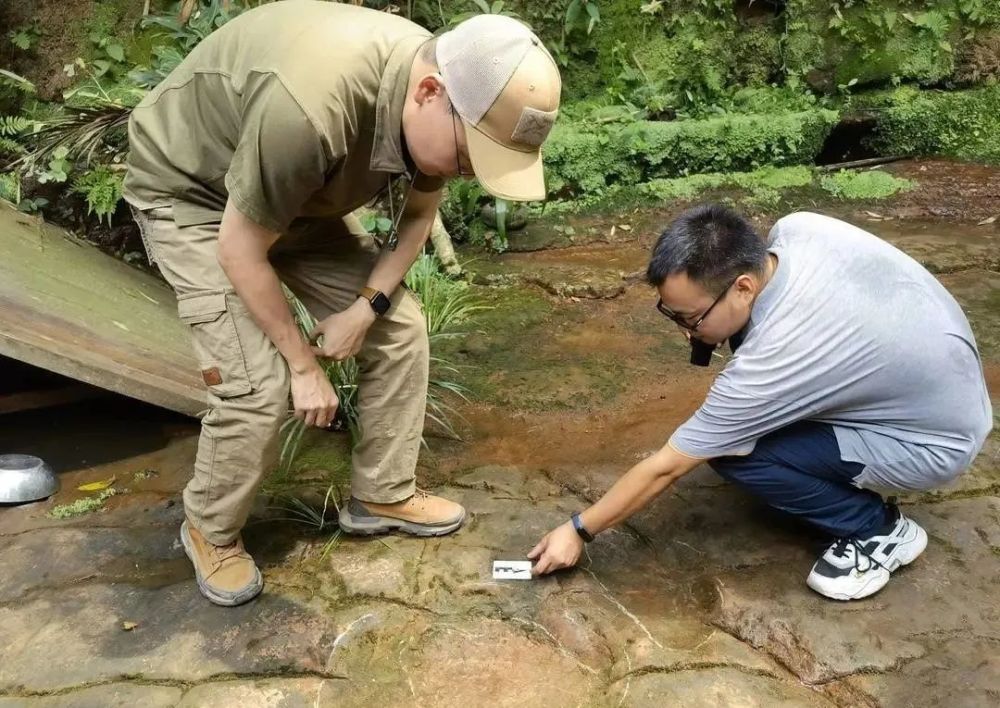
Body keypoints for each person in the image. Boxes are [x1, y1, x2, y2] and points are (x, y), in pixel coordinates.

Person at [123, 0, 561, 606]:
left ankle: (381, 493)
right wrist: (303, 366)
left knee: (400, 327)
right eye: (468, 158)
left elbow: (418, 211)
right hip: (196, 198)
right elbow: (240, 248)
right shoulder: (311, 107)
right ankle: (209, 528)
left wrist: (366, 308)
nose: (466, 173)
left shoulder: (441, 81)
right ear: (430, 93)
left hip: (297, 199)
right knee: (256, 387)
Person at [529, 205, 992, 601]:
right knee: (745, 427)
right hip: (938, 382)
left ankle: (877, 530)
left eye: (691, 318)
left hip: (933, 441)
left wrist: (578, 528)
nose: (685, 332)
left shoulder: (777, 355)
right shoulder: (797, 229)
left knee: (737, 453)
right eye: (672, 315)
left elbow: (669, 466)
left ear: (744, 287)